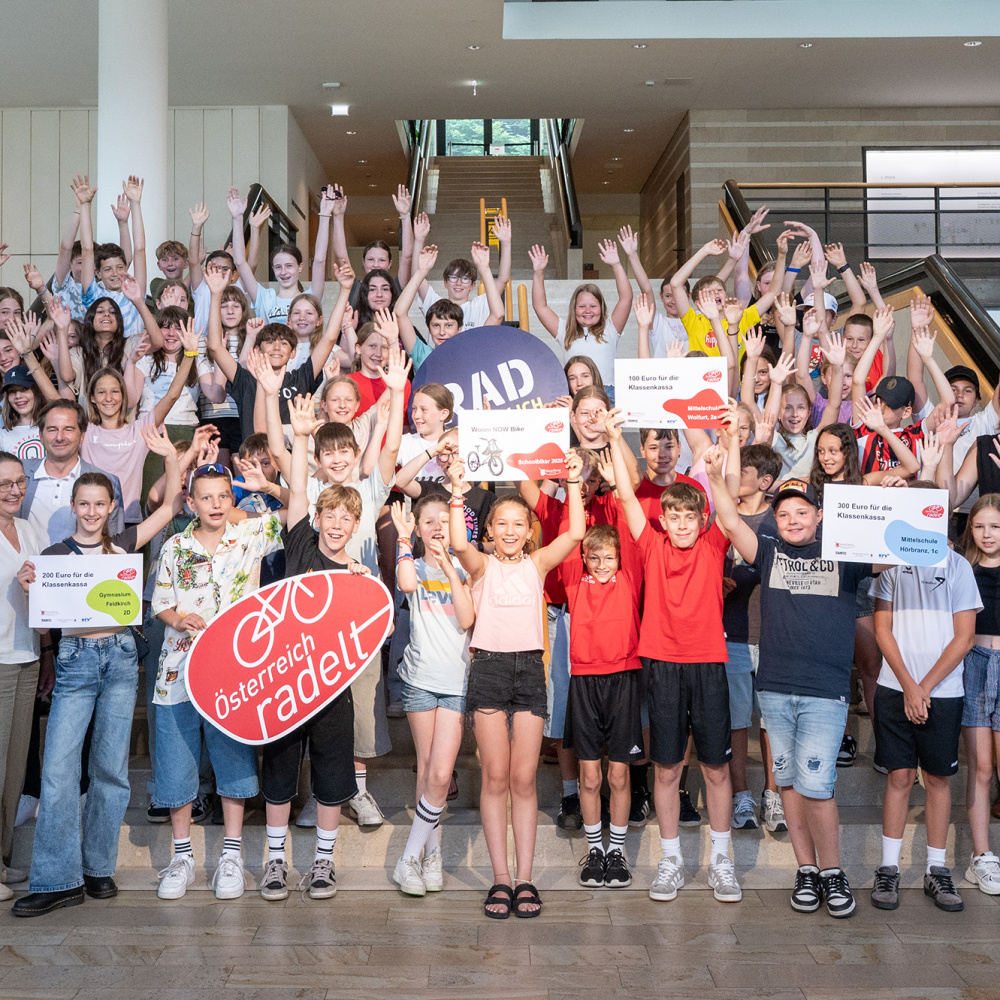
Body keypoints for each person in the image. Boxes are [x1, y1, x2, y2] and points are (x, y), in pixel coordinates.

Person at [12, 426, 182, 916]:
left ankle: (98, 867)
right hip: (75, 662)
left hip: (121, 659)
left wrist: (171, 457)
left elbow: (170, 508)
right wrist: (29, 586)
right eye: (83, 504)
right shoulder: (52, 557)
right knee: (59, 770)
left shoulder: (124, 545)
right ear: (73, 507)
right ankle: (56, 878)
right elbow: (43, 620)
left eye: (99, 504)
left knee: (110, 769)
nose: (90, 512)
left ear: (111, 507)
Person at [708, 466, 870, 918]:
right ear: (774, 521)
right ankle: (807, 870)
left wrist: (907, 495)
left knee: (817, 785)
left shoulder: (846, 553)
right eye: (783, 514)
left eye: (802, 512)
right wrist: (715, 476)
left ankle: (833, 871)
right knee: (789, 784)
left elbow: (899, 551)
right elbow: (729, 520)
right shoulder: (770, 551)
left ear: (819, 515)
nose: (793, 520)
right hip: (775, 688)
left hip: (825, 692)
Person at [606, 408, 743, 904]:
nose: (683, 524)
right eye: (675, 517)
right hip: (662, 665)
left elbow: (729, 495)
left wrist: (730, 440)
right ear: (663, 520)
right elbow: (626, 495)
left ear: (702, 520)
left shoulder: (713, 543)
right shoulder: (651, 544)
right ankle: (671, 861)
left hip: (708, 665)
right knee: (666, 768)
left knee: (716, 770)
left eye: (691, 517)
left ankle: (722, 861)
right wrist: (615, 436)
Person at [447, 455, 584, 919]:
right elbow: (457, 543)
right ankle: (501, 878)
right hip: (488, 669)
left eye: (518, 524)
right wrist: (457, 492)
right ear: (489, 529)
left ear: (529, 531)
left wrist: (573, 482)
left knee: (523, 780)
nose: (509, 531)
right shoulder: (481, 565)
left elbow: (576, 533)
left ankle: (525, 878)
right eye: (501, 523)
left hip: (528, 672)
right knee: (495, 777)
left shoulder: (537, 565)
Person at [258, 397, 375, 903]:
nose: (336, 524)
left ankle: (323, 863)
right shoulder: (300, 545)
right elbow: (300, 487)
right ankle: (276, 861)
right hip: (286, 684)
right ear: (318, 518)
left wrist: (363, 591)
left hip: (331, 690)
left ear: (355, 526)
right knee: (279, 773)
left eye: (345, 518)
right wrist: (302, 436)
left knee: (331, 776)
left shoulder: (358, 578)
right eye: (329, 515)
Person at [152, 466, 282, 901]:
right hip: (177, 673)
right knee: (176, 763)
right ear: (190, 503)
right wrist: (178, 619)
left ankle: (231, 855)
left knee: (233, 762)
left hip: (232, 676)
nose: (215, 504)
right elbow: (161, 603)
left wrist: (266, 490)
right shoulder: (175, 546)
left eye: (223, 496)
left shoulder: (250, 536)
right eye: (206, 497)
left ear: (232, 500)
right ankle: (182, 857)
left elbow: (298, 509)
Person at [870, 482, 980, 912]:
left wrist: (926, 686)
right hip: (895, 687)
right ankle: (888, 868)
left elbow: (964, 637)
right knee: (899, 777)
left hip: (943, 692)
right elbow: (882, 629)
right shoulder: (889, 565)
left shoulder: (958, 566)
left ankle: (937, 868)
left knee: (937, 779)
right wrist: (909, 685)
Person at [388, 497, 474, 896]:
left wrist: (450, 567)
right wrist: (404, 539)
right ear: (418, 528)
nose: (438, 527)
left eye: (444, 520)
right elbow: (406, 585)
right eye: (428, 521)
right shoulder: (413, 564)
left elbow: (466, 618)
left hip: (457, 684)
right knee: (426, 772)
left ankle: (409, 857)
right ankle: (431, 856)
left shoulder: (467, 566)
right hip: (420, 681)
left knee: (441, 775)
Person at [563, 516, 644, 890]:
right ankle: (595, 850)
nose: (601, 564)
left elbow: (630, 528)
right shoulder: (575, 582)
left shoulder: (628, 579)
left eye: (609, 557)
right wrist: (573, 488)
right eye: (593, 558)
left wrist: (617, 488)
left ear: (620, 558)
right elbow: (572, 533)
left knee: (619, 774)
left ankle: (617, 852)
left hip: (623, 679)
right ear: (583, 558)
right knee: (591, 775)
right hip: (584, 681)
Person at [204, 259, 352, 441]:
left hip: (291, 455)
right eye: (269, 342)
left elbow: (329, 338)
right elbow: (215, 347)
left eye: (283, 343)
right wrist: (216, 294)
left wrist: (345, 290)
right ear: (258, 350)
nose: (276, 347)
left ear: (293, 352)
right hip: (254, 455)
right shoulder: (245, 380)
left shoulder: (300, 378)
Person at [722, 443, 784, 832]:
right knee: (737, 720)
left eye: (742, 471)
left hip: (774, 635)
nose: (734, 476)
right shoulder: (721, 518)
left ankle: (772, 795)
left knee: (772, 721)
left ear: (764, 481)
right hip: (732, 633)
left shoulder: (780, 519)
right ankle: (741, 794)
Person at [0, 452, 50, 899]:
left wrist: (47, 651)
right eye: (4, 484)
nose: (14, 490)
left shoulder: (30, 530)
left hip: (27, 656)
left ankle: (3, 859)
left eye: (19, 482)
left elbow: (45, 596)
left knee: (15, 767)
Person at [530, 233, 636, 398]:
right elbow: (540, 306)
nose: (588, 311)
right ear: (574, 309)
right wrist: (538, 273)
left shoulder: (610, 329)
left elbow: (626, 298)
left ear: (601, 308)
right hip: (575, 394)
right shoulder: (564, 331)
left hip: (606, 393)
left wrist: (616, 264)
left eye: (593, 306)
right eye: (582, 306)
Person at [956, 495, 1000, 896]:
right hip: (974, 665)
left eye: (996, 526)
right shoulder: (963, 569)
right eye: (980, 526)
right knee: (981, 767)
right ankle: (981, 856)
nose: (987, 534)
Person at [20, 399, 125, 546]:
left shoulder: (108, 482)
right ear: (41, 436)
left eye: (68, 429)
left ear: (82, 436)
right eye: (52, 429)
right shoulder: (19, 474)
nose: (60, 437)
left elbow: (114, 544)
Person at [227, 186, 332, 323]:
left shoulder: (310, 297)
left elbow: (319, 260)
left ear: (300, 267)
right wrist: (237, 218)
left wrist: (324, 215)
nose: (283, 272)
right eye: (278, 267)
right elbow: (240, 262)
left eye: (289, 266)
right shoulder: (264, 297)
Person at [77, 174, 149, 339]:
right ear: (97, 272)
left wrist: (135, 204)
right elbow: (87, 249)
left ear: (126, 267)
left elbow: (140, 250)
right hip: (100, 353)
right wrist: (85, 205)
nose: (115, 273)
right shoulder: (93, 294)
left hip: (132, 351)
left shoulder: (134, 292)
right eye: (108, 269)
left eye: (120, 268)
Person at [412, 216, 510, 331]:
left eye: (465, 279)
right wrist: (419, 240)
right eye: (453, 277)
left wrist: (506, 243)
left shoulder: (481, 305)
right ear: (445, 282)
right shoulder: (435, 304)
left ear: (472, 285)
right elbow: (416, 278)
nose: (458, 283)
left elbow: (503, 280)